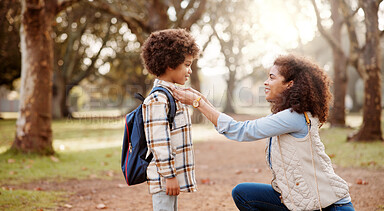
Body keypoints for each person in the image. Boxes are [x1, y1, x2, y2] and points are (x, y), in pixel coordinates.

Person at [171, 54, 355, 211]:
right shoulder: (287, 114)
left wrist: (198, 103)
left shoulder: (294, 117)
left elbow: (241, 131)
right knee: (243, 194)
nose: (266, 82)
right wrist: (201, 99)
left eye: (272, 77)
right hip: (300, 202)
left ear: (290, 84)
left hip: (331, 206)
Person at [140, 28, 200, 211]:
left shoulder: (172, 95)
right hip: (163, 178)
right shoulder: (158, 99)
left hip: (169, 177)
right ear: (170, 64)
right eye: (187, 64)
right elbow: (159, 142)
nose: (190, 70)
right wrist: (169, 175)